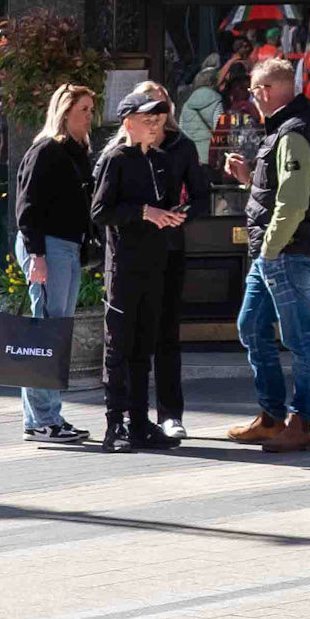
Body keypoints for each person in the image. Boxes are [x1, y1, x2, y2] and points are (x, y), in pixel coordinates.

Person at [223, 56, 310, 453]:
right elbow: (279, 193)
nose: (252, 98)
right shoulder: (286, 128)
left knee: (300, 338)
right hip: (274, 252)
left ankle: (300, 421)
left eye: (254, 91)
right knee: (251, 327)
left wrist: (271, 251)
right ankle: (271, 418)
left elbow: (293, 203)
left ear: (266, 91)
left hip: (286, 252)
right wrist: (246, 181)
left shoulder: (294, 132)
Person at [90, 92, 187, 454]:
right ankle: (114, 424)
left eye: (159, 117)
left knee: (143, 346)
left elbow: (163, 205)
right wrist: (144, 212)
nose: (154, 123)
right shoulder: (116, 158)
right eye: (147, 117)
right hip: (125, 266)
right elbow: (100, 211)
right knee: (119, 346)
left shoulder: (160, 160)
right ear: (127, 121)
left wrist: (173, 214)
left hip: (155, 262)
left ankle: (138, 421)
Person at [123, 81, 209, 442]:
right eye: (149, 111)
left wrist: (181, 214)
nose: (156, 118)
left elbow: (202, 196)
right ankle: (132, 414)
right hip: (130, 251)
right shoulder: (121, 150)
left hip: (170, 247)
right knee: (131, 336)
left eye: (161, 109)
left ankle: (171, 413)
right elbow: (103, 204)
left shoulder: (182, 146)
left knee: (166, 332)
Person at [11, 82, 96, 447]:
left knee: (54, 331)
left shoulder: (78, 151)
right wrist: (36, 256)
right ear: (64, 113)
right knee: (46, 331)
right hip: (47, 247)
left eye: (92, 110)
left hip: (67, 247)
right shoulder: (46, 150)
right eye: (83, 110)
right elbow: (26, 206)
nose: (89, 117)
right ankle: (43, 419)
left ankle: (43, 417)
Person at [177, 54, 222, 151]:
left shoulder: (187, 104)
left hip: (191, 151)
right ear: (213, 83)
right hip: (208, 151)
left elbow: (181, 128)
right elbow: (219, 128)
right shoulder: (216, 103)